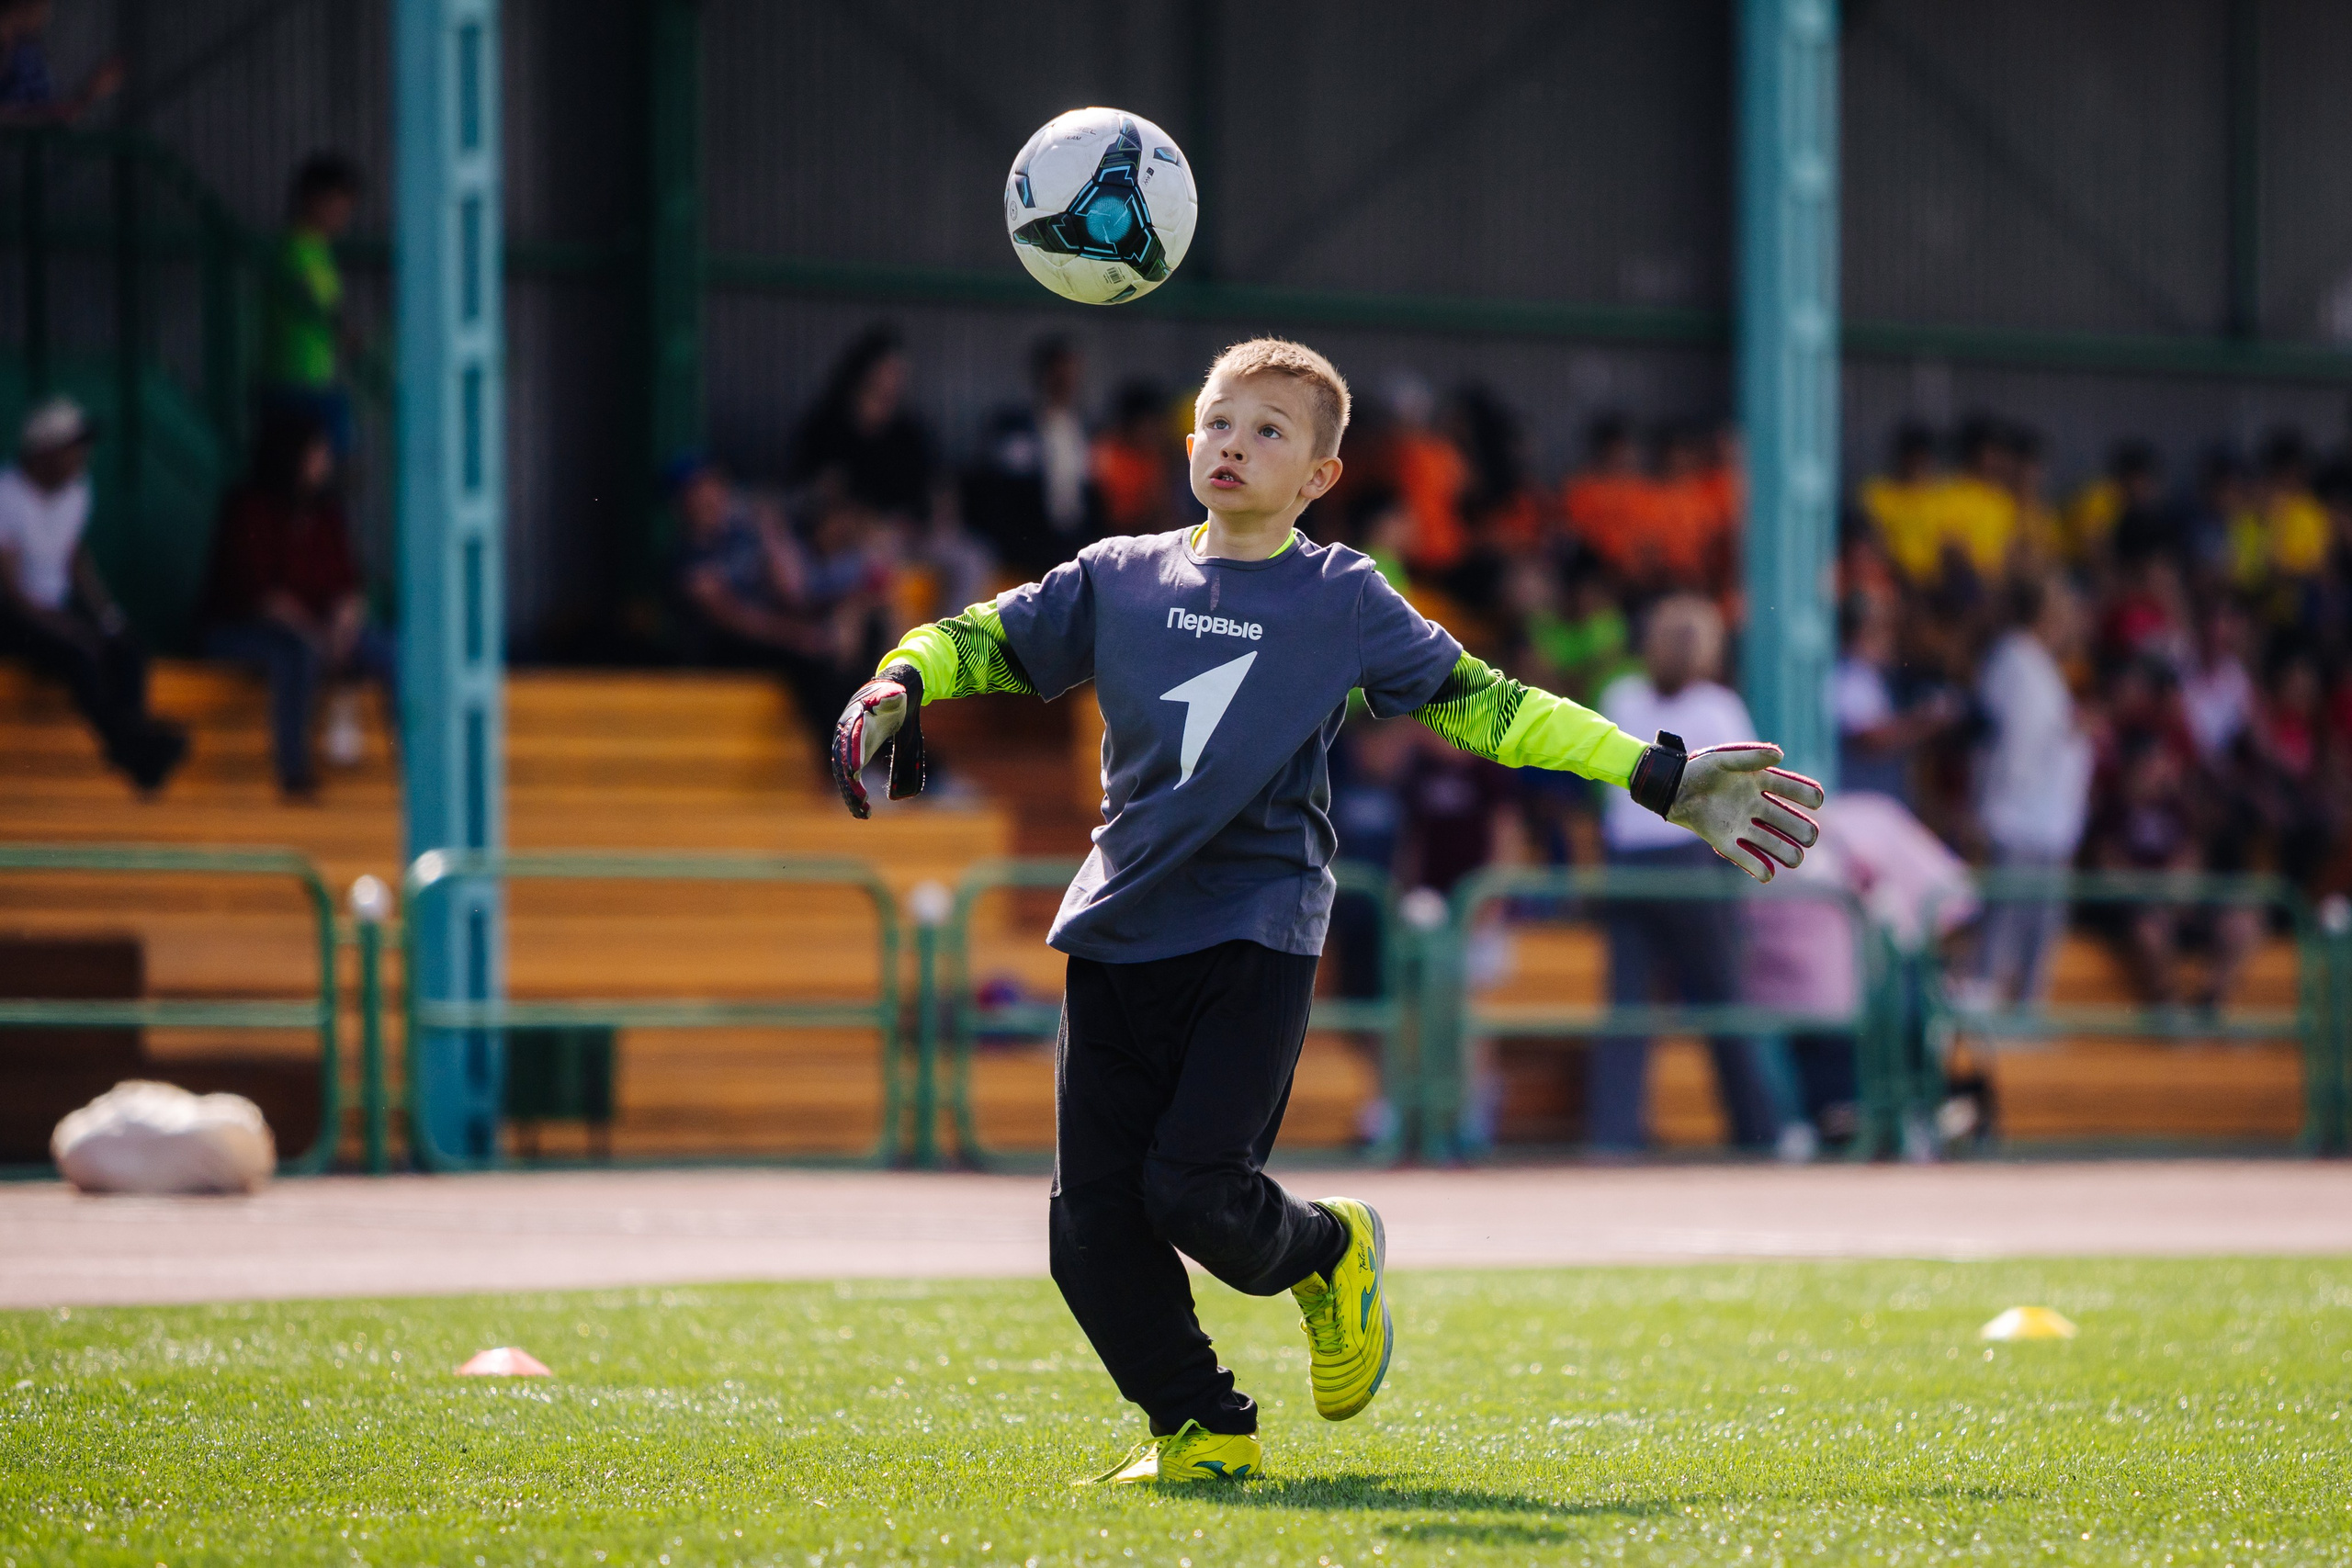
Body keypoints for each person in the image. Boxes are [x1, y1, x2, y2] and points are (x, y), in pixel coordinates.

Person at [825, 338, 1822, 1485]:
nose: (1231, 445)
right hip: (1115, 930)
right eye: (1215, 422)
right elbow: (978, 636)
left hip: (1257, 927)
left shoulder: (1341, 596)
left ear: (1318, 477)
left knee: (1192, 1192)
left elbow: (1489, 709)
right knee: (1088, 1236)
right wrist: (897, 682)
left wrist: (1655, 776)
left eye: (1267, 431)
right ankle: (1203, 1432)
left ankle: (1330, 1250)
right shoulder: (1116, 574)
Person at [1590, 594, 1787, 1154]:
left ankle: (1612, 1138)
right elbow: (1750, 794)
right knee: (1724, 999)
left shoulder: (1620, 695)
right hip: (1689, 864)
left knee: (1627, 1008)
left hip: (1629, 863)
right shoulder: (1718, 706)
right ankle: (1760, 1135)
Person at [199, 414, 393, 798]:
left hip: (321, 633)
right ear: (291, 457)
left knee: (392, 651)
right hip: (244, 632)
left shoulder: (327, 513)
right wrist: (321, 636)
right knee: (297, 654)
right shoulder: (249, 509)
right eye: (316, 453)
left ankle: (416, 770)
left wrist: (344, 627)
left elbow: (349, 586)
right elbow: (264, 598)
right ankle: (294, 772)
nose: (325, 463)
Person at [0, 397, 185, 791]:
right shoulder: (7, 495)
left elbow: (73, 560)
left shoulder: (77, 491)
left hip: (53, 612)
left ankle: (131, 745)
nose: (81, 456)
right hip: (14, 618)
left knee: (127, 648)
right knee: (81, 654)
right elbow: (10, 590)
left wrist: (107, 617)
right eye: (71, 447)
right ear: (43, 452)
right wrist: (68, 628)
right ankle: (136, 748)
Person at [671, 457, 894, 760]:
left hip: (772, 635)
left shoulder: (744, 539)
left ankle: (891, 758)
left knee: (859, 643)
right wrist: (801, 637)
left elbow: (795, 593)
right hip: (722, 650)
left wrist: (772, 534)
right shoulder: (690, 558)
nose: (712, 498)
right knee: (812, 663)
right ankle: (851, 762)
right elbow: (735, 619)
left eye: (716, 487)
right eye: (699, 491)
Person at [787, 327, 985, 619]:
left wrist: (937, 521)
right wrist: (867, 524)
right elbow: (818, 500)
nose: (895, 380)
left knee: (972, 557)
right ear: (865, 371)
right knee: (879, 559)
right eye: (888, 370)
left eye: (900, 373)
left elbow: (939, 488)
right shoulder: (828, 427)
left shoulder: (910, 430)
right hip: (858, 538)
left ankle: (950, 643)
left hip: (914, 533)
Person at [1969, 577, 2093, 1006]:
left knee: (2038, 933)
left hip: (2047, 821)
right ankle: (1988, 1016)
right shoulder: (2015, 660)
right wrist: (1987, 813)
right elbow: (2012, 744)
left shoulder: (2040, 663)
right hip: (2017, 818)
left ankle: (2023, 1014)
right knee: (2004, 931)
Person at [258, 153, 363, 458]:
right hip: (293, 383)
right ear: (311, 199)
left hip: (315, 380)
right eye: (336, 203)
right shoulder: (293, 249)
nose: (342, 214)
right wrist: (343, 331)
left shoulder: (320, 250)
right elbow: (313, 301)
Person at [962, 336, 1097, 574]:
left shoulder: (1084, 429)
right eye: (1060, 377)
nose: (1067, 384)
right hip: (1030, 541)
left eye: (1072, 377)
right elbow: (997, 492)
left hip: (1076, 538)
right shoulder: (1015, 426)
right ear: (1044, 376)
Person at [0, 0, 120, 122]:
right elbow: (26, 117)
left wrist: (89, 95)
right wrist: (89, 95)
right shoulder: (20, 53)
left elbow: (50, 113)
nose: (47, 15)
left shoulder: (28, 53)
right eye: (44, 5)